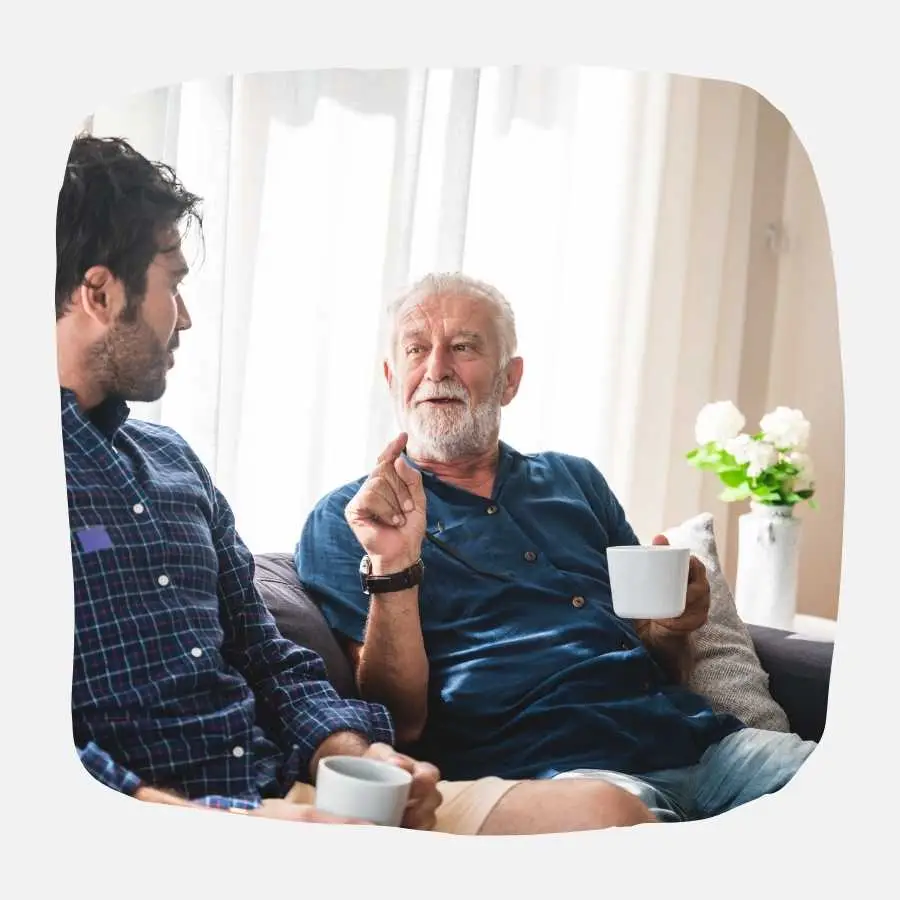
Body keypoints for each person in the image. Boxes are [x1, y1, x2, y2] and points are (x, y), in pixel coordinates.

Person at [60, 136, 651, 835]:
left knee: (611, 817)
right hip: (176, 822)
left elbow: (268, 660)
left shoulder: (171, 462)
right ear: (101, 292)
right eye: (173, 283)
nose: (183, 316)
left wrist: (360, 754)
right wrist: (213, 822)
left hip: (298, 794)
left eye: (465, 348)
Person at [296, 271, 817, 824]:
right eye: (417, 349)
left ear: (510, 379)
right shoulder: (351, 518)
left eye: (464, 347)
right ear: (391, 375)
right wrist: (394, 566)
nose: (437, 368)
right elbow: (399, 719)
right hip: (555, 776)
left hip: (704, 748)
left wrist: (671, 628)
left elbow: (658, 655)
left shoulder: (574, 481)